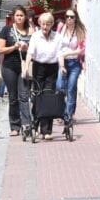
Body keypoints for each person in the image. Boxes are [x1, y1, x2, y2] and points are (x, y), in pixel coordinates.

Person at [0, 6, 33, 136]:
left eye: (21, 15)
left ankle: (26, 124)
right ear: (13, 16)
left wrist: (26, 47)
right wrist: (14, 46)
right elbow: (0, 49)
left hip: (25, 66)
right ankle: (14, 126)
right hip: (9, 67)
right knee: (13, 97)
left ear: (25, 17)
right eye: (17, 15)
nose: (19, 17)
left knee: (24, 96)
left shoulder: (31, 31)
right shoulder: (7, 30)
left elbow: (35, 49)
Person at [26, 11, 60, 140]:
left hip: (52, 67)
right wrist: (25, 67)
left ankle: (46, 130)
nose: (45, 27)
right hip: (39, 67)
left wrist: (62, 66)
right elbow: (30, 53)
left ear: (52, 24)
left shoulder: (57, 37)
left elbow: (60, 53)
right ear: (40, 24)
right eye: (43, 24)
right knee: (38, 96)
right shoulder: (35, 36)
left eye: (48, 24)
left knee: (48, 97)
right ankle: (35, 125)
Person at [56, 9, 87, 127]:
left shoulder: (80, 32)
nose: (69, 19)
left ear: (76, 18)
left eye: (72, 17)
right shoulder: (60, 28)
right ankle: (62, 111)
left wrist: (65, 54)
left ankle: (68, 115)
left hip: (74, 63)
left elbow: (81, 50)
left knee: (71, 88)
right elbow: (57, 46)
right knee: (59, 87)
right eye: (67, 16)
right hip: (61, 62)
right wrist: (61, 61)